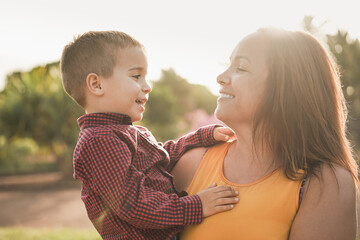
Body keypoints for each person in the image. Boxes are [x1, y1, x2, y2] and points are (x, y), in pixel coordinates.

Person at [171, 27, 359, 240]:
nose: (221, 77)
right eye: (228, 65)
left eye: (241, 68)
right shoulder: (190, 164)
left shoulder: (326, 183)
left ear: (288, 86)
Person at [60, 31, 239, 240]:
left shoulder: (127, 132)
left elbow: (161, 157)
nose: (148, 86)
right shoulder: (99, 141)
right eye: (136, 76)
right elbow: (132, 203)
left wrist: (200, 137)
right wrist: (196, 206)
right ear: (96, 85)